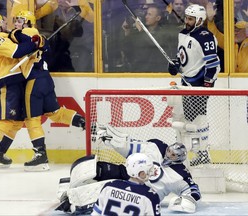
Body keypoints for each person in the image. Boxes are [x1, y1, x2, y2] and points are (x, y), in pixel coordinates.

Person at [55, 124, 201, 214]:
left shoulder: (180, 174)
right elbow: (131, 147)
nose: (169, 154)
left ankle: (77, 206)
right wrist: (113, 142)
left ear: (180, 158)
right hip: (127, 174)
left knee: (108, 192)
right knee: (95, 167)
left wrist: (188, 199)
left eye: (174, 155)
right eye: (169, 151)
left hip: (143, 192)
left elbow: (193, 190)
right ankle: (70, 184)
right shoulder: (157, 146)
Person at [9, 10, 85, 171]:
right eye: (15, 20)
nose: (16, 23)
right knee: (55, 113)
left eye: (20, 20)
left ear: (28, 22)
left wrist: (15, 32)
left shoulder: (26, 32)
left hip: (34, 82)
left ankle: (40, 155)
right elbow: (45, 47)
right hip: (45, 79)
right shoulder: (40, 36)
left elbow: (15, 37)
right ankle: (84, 122)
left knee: (31, 119)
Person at [0, 13, 41, 170]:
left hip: (16, 80)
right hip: (6, 81)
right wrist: (33, 44)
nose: (6, 23)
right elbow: (16, 52)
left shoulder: (6, 36)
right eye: (3, 22)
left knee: (17, 122)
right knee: (5, 121)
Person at [167, 4, 220, 166]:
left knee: (199, 120)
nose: (187, 21)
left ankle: (203, 152)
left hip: (199, 84)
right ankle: (197, 153)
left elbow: (213, 64)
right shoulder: (183, 34)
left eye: (191, 18)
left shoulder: (205, 36)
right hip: (185, 83)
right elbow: (182, 57)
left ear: (199, 20)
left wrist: (206, 85)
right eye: (187, 17)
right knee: (189, 121)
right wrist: (175, 65)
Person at [91, 153, 161, 216]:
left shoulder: (109, 186)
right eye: (149, 169)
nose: (151, 172)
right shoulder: (150, 196)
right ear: (141, 172)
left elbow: (96, 213)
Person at [121, 3, 174, 72]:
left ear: (158, 18)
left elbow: (153, 46)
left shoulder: (163, 33)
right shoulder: (138, 32)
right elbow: (127, 51)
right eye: (146, 14)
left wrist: (141, 30)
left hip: (155, 72)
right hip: (137, 71)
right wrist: (127, 32)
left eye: (149, 14)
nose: (146, 17)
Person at [206, 1, 248, 73]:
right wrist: (210, 21)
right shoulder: (229, 42)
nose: (235, 32)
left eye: (238, 30)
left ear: (246, 32)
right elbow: (215, 35)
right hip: (232, 80)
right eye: (234, 30)